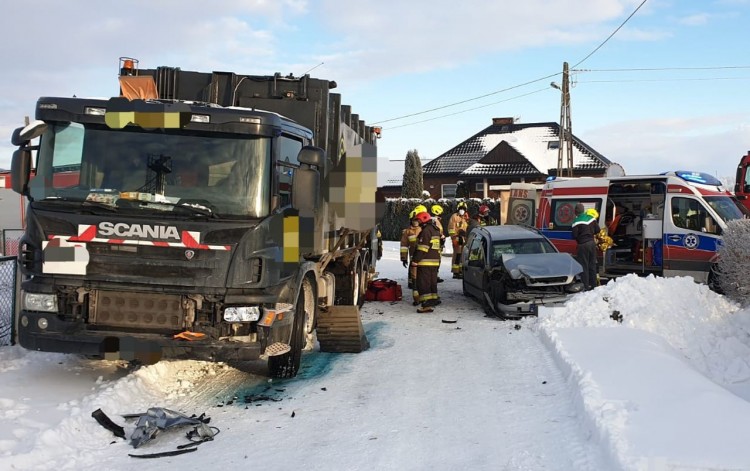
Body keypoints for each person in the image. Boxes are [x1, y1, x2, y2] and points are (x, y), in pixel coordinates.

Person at [411, 210, 442, 313]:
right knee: (432, 282)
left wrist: (415, 260)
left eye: (419, 220)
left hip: (425, 261)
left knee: (424, 283)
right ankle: (433, 299)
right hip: (435, 261)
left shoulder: (426, 231)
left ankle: (426, 304)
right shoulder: (435, 230)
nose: (418, 223)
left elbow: (423, 248)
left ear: (424, 220)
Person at [572, 203, 601, 291]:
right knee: (592, 265)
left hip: (582, 245)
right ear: (583, 210)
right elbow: (598, 230)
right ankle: (594, 285)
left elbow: (574, 235)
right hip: (592, 244)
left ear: (576, 212)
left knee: (584, 266)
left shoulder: (576, 222)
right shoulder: (591, 218)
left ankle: (585, 286)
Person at [400, 206, 424, 305]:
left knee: (423, 278)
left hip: (423, 257)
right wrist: (404, 258)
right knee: (414, 277)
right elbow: (404, 246)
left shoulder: (423, 229)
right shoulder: (408, 231)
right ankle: (416, 298)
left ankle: (424, 297)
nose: (415, 222)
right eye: (413, 220)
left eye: (417, 220)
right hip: (413, 257)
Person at [448, 201, 470, 279]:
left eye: (463, 209)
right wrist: (454, 237)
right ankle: (455, 272)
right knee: (457, 255)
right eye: (461, 209)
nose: (462, 210)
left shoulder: (465, 218)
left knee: (462, 256)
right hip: (457, 239)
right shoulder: (454, 216)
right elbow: (451, 229)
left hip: (464, 240)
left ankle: (460, 270)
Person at [430, 204, 447, 283]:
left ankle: (434, 276)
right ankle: (433, 277)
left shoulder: (435, 220)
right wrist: (441, 237)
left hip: (437, 243)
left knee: (436, 260)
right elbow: (436, 232)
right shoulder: (434, 221)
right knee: (436, 260)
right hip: (436, 244)